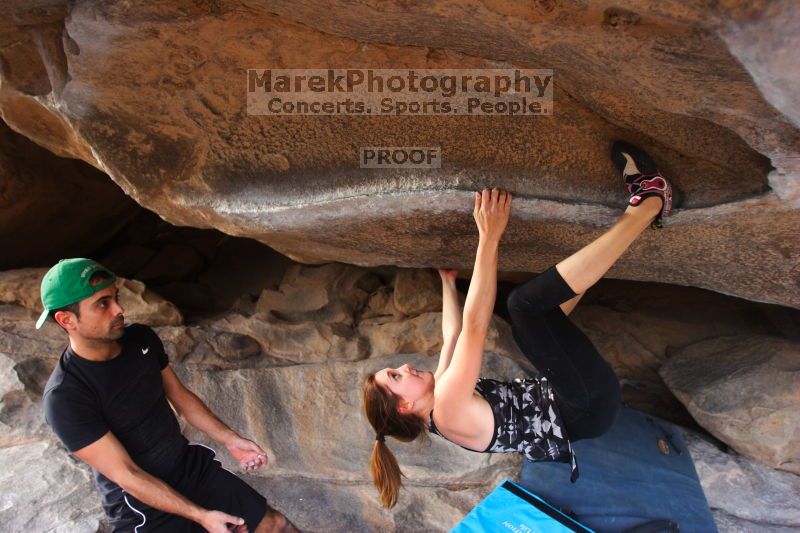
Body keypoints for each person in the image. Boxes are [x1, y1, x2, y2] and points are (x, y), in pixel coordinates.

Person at [362, 141, 678, 508]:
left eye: (393, 369)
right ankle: (651, 197)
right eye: (396, 378)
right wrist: (489, 237)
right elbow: (475, 327)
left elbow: (453, 337)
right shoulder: (447, 408)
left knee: (539, 315)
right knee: (523, 307)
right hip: (584, 405)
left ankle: (635, 218)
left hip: (574, 399)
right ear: (404, 407)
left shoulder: (438, 402)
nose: (403, 367)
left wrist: (447, 283)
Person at [38, 258, 300, 532]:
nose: (119, 309)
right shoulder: (65, 397)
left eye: (116, 297)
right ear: (66, 320)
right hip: (140, 503)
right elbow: (127, 475)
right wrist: (201, 516)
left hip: (188, 468)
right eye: (102, 304)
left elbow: (179, 395)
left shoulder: (140, 338)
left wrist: (231, 439)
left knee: (274, 525)